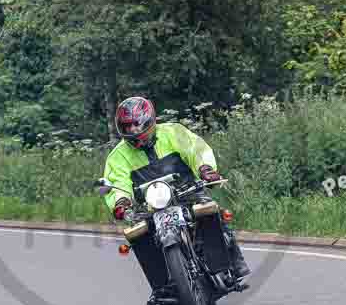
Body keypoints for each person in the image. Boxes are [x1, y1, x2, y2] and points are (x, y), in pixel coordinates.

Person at [102, 96, 250, 278]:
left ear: (148, 120)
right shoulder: (117, 156)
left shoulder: (173, 132)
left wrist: (206, 169)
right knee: (139, 237)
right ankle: (162, 285)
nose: (132, 129)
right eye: (127, 126)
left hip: (188, 191)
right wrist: (121, 202)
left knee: (210, 212)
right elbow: (117, 182)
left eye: (136, 124)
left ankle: (235, 260)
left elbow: (196, 151)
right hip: (150, 206)